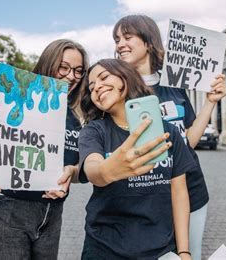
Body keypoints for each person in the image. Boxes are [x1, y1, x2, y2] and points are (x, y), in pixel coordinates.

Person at [0, 39, 89, 259]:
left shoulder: (74, 116)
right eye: (64, 67)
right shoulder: (11, 96)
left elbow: (79, 169)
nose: (71, 76)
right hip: (2, 210)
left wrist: (71, 173)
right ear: (48, 63)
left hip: (50, 216)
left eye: (79, 71)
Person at [113, 14, 226, 260]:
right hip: (145, 198)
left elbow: (188, 142)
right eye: (117, 39)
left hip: (191, 190)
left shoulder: (174, 85)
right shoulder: (118, 90)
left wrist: (209, 103)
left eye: (127, 37)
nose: (120, 44)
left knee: (190, 255)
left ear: (148, 41)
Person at [79, 59, 196, 259]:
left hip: (160, 250)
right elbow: (93, 169)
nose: (97, 87)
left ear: (126, 76)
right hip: (104, 249)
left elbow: (179, 192)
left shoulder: (168, 132)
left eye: (104, 77)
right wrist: (106, 171)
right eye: (91, 87)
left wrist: (184, 251)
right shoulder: (94, 131)